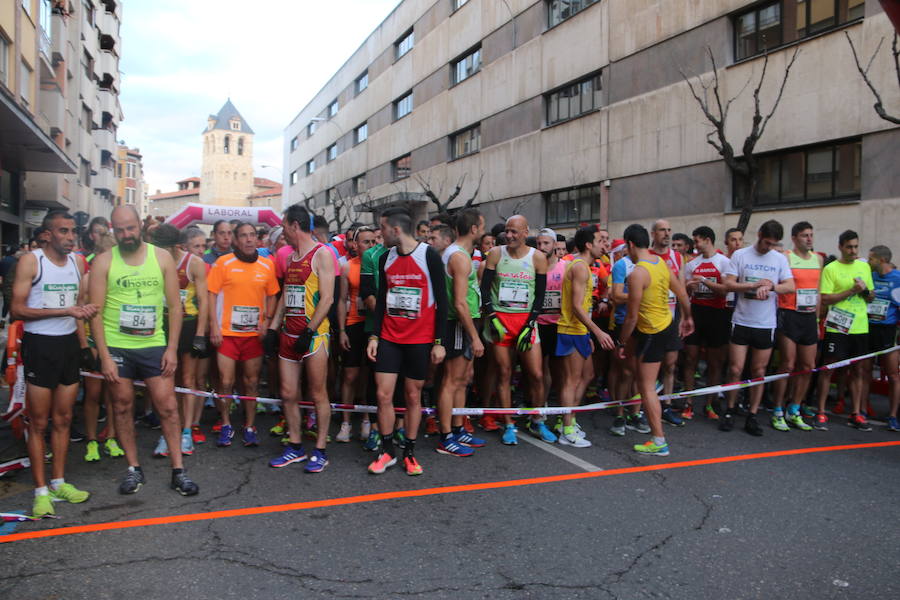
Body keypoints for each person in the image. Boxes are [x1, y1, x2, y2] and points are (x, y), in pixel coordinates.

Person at [89, 205, 199, 496]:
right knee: (123, 405)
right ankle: (133, 469)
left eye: (131, 228)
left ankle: (178, 471)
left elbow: (175, 306)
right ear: (114, 230)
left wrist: (172, 349)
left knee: (168, 405)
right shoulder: (103, 262)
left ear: (140, 225)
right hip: (117, 345)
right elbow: (95, 313)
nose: (126, 234)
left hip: (153, 343)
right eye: (120, 230)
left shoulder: (161, 257)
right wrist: (103, 355)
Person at [12, 210, 98, 516]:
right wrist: (65, 313)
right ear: (48, 235)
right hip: (40, 345)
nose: (71, 237)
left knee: (63, 419)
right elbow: (17, 309)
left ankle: (59, 481)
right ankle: (40, 491)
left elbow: (77, 305)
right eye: (63, 231)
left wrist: (83, 331)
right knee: (38, 423)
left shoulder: (77, 262)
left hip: (68, 347)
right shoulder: (31, 261)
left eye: (73, 231)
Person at [366, 207, 448, 476]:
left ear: (396, 230)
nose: (381, 233)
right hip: (390, 336)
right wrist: (375, 335)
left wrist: (439, 341)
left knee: (413, 396)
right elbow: (380, 301)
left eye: (383, 228)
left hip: (420, 339)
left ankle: (409, 452)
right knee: (383, 394)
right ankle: (387, 450)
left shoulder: (429, 256)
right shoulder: (385, 258)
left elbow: (443, 302)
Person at [265, 205, 335, 472]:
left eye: (284, 227)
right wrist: (273, 329)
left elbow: (327, 298)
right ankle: (295, 446)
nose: (283, 232)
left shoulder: (322, 254)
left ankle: (319, 449)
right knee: (288, 393)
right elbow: (286, 295)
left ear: (295, 225)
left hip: (314, 336)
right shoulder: (291, 257)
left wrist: (309, 330)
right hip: (288, 334)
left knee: (318, 393)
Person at [617, 224, 693, 456]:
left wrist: (621, 342)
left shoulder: (637, 273)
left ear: (630, 244)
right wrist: (688, 318)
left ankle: (658, 439)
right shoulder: (660, 263)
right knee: (648, 380)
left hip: (651, 332)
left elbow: (631, 317)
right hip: (665, 327)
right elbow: (681, 292)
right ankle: (656, 427)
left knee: (646, 387)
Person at [480, 215, 552, 446]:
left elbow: (540, 296)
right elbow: (484, 288)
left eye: (514, 231)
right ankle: (509, 423)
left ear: (524, 232)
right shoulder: (495, 254)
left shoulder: (538, 258)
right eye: (507, 231)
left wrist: (530, 323)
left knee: (537, 374)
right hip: (500, 322)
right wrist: (492, 317)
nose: (509, 235)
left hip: (525, 323)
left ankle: (537, 420)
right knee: (504, 373)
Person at [208, 222, 280, 447]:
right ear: (236, 241)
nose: (249, 240)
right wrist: (213, 326)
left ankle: (249, 425)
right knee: (226, 382)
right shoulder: (223, 263)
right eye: (243, 236)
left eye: (252, 236)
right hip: (227, 333)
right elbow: (210, 295)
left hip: (253, 335)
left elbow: (273, 295)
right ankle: (227, 424)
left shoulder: (267, 265)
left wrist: (266, 322)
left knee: (251, 383)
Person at [721, 220, 795, 436]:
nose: (768, 248)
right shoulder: (741, 255)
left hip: (765, 323)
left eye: (772, 244)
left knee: (759, 371)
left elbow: (791, 286)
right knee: (735, 369)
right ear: (759, 234)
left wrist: (772, 286)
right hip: (742, 320)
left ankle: (753, 414)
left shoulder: (779, 258)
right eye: (766, 243)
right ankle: (730, 410)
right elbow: (728, 284)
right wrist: (752, 285)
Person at [149, 225, 209, 457]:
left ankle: (185, 432)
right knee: (164, 380)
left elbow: (203, 300)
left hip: (188, 325)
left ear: (176, 247)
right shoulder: (155, 261)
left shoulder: (193, 263)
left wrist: (201, 334)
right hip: (162, 324)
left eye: (162, 249)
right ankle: (167, 432)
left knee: (187, 379)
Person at [556, 225, 615, 447]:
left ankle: (568, 420)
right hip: (571, 330)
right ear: (589, 244)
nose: (604, 245)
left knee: (587, 375)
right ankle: (566, 428)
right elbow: (577, 307)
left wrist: (588, 333)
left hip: (580, 331)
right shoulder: (580, 267)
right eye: (600, 240)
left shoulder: (585, 266)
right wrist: (598, 332)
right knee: (571, 380)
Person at [435, 209, 486, 457]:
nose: (484, 230)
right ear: (474, 229)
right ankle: (445, 436)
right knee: (451, 381)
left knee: (463, 379)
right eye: (482, 226)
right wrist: (475, 337)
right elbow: (459, 302)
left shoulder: (461, 254)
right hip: (457, 323)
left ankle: (457, 429)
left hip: (466, 322)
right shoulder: (459, 257)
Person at [813, 230, 875, 431]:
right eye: (849, 247)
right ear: (840, 247)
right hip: (837, 326)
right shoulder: (831, 269)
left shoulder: (864, 267)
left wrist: (865, 290)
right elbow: (826, 298)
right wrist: (851, 291)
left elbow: (871, 296)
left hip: (860, 326)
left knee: (858, 369)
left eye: (856, 246)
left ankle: (856, 413)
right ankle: (821, 411)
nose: (853, 251)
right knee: (829, 368)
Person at [769, 222, 821, 431]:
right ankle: (777, 410)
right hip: (788, 314)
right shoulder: (787, 258)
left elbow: (817, 293)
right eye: (804, 236)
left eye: (811, 235)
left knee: (807, 366)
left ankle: (795, 409)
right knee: (788, 365)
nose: (809, 239)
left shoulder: (818, 259)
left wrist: (817, 321)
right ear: (794, 238)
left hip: (809, 317)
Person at [681, 226, 731, 420]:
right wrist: (689, 286)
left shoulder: (723, 262)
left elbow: (726, 289)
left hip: (718, 314)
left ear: (708, 240)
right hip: (697, 313)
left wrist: (705, 281)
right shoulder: (692, 264)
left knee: (715, 362)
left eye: (697, 241)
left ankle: (711, 403)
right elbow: (684, 291)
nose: (695, 245)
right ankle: (688, 402)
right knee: (690, 358)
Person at [336, 226, 377, 442]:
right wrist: (342, 330)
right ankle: (345, 422)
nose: (370, 246)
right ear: (355, 244)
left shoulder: (380, 264)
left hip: (372, 325)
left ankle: (367, 419)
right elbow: (342, 300)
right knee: (350, 375)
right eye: (365, 242)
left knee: (368, 375)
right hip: (353, 323)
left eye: (373, 241)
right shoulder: (346, 267)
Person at [649, 219, 685, 426]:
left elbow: (681, 288)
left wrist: (685, 317)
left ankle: (667, 405)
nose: (667, 233)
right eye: (662, 230)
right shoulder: (647, 255)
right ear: (653, 234)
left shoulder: (677, 257)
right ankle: (645, 405)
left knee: (670, 365)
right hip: (651, 319)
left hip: (672, 317)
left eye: (669, 230)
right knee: (648, 367)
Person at [864, 245, 900, 431]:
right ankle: (862, 409)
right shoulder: (871, 276)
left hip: (889, 330)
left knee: (893, 374)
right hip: (869, 327)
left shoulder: (898, 278)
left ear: (882, 260)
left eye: (872, 259)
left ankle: (893, 415)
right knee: (864, 371)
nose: (869, 261)